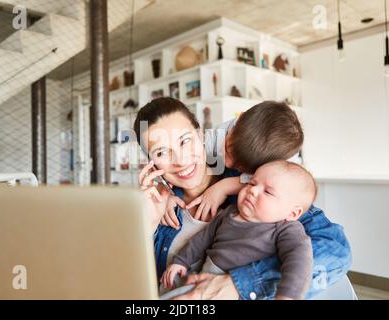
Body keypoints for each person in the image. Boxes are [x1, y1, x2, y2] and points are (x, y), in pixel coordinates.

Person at [134, 97, 351, 300]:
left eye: (185, 141)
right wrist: (148, 223)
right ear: (151, 163)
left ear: (201, 135)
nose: (180, 160)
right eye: (161, 152)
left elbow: (336, 251)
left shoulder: (256, 190)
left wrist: (239, 284)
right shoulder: (159, 209)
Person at [162, 161, 315, 300]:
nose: (253, 191)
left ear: (292, 213)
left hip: (242, 292)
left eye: (268, 192)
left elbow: (299, 262)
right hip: (206, 278)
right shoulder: (230, 212)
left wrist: (287, 296)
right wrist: (181, 261)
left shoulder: (286, 229)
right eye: (251, 183)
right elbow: (202, 239)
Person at [163, 101, 304, 228]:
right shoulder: (215, 136)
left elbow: (283, 187)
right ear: (239, 119)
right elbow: (175, 161)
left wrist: (225, 187)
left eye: (240, 167)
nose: (228, 164)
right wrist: (164, 192)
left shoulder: (286, 165)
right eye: (227, 150)